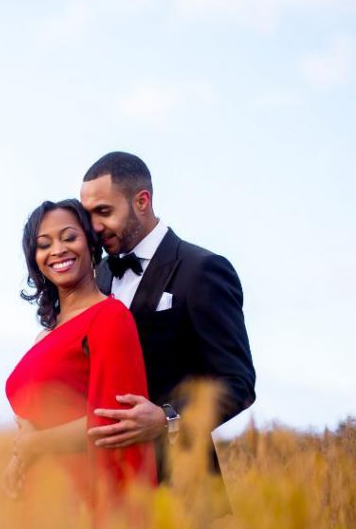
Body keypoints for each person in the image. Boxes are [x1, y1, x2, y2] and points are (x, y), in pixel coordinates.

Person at [78, 151, 256, 490]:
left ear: (142, 201)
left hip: (181, 489)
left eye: (104, 211)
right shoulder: (96, 276)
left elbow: (238, 382)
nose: (95, 227)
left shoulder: (202, 270)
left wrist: (166, 418)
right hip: (104, 487)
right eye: (88, 216)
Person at [5, 199, 157, 508]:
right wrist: (18, 457)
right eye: (44, 244)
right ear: (35, 260)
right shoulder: (44, 336)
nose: (57, 250)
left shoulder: (109, 316)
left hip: (85, 498)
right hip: (41, 498)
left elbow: (115, 422)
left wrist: (35, 445)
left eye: (69, 237)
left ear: (90, 243)